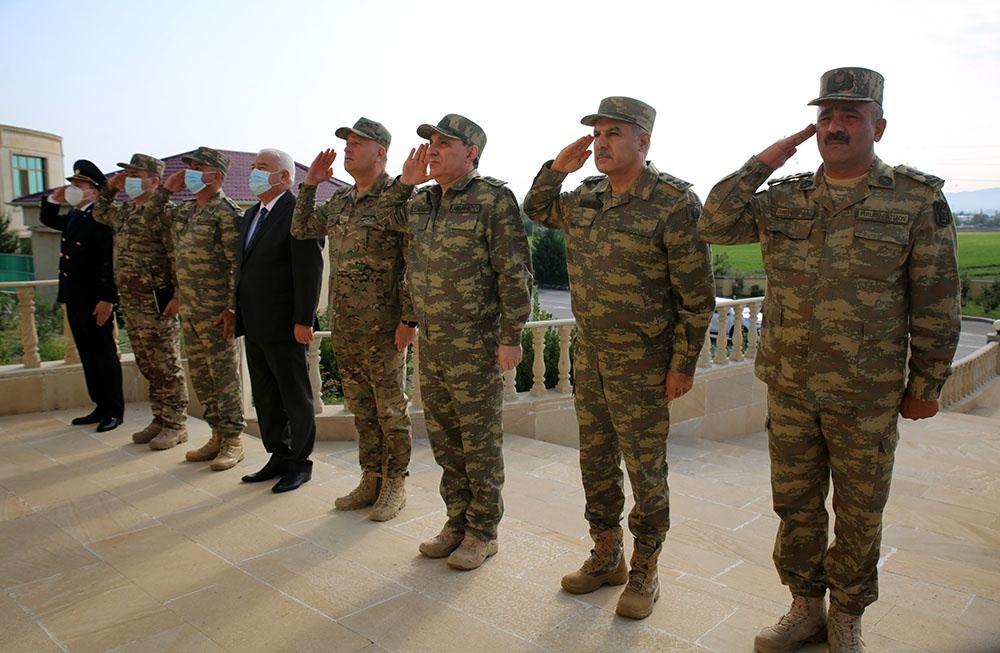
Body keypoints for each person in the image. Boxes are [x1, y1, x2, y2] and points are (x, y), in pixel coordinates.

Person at [697, 67, 961, 653]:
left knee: (860, 511)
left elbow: (938, 297)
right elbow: (713, 222)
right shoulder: (784, 197)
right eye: (825, 116)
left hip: (866, 392)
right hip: (791, 384)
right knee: (795, 505)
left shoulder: (915, 200)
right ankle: (804, 606)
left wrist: (927, 383)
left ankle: (847, 614)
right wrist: (766, 159)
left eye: (851, 115)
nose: (835, 126)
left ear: (878, 126)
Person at [522, 96, 715, 619]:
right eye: (597, 134)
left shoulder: (674, 202)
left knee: (646, 469)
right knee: (596, 462)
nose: (601, 143)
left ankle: (646, 567)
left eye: (613, 133)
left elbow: (696, 296)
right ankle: (607, 555)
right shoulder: (584, 197)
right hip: (591, 358)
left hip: (645, 365)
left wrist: (682, 364)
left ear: (643, 140)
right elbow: (536, 209)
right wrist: (556, 170)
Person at [378, 114, 532, 570]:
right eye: (431, 142)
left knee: (479, 444)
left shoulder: (492, 198)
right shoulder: (421, 201)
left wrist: (511, 336)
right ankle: (456, 522)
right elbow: (384, 221)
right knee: (445, 440)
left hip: (476, 343)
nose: (433, 149)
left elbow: (514, 272)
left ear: (472, 153)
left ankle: (483, 532)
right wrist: (403, 184)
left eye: (444, 143)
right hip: (433, 341)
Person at [292, 118, 415, 519]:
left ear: (381, 152)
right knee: (361, 407)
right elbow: (301, 228)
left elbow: (413, 262)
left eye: (357, 143)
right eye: (347, 142)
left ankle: (395, 482)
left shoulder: (398, 197)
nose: (347, 148)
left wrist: (409, 320)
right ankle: (371, 477)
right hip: (346, 325)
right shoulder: (341, 200)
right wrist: (310, 185)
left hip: (385, 327)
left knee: (390, 409)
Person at [225, 148, 324, 493]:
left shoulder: (298, 212)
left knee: (294, 396)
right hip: (255, 323)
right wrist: (235, 310)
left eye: (262, 167)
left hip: (286, 325)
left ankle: (300, 463)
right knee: (266, 396)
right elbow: (244, 269)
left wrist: (303, 319)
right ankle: (278, 455)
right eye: (253, 167)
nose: (254, 172)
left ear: (284, 176)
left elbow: (309, 269)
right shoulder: (252, 213)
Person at [156, 147, 247, 471]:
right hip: (191, 309)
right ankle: (216, 435)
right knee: (201, 377)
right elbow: (154, 221)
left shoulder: (227, 212)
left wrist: (232, 309)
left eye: (197, 168)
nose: (190, 173)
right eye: (190, 167)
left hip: (216, 312)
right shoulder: (185, 211)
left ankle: (233, 440)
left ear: (216, 176)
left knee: (224, 378)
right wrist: (166, 191)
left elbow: (237, 266)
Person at [93, 154, 189, 448]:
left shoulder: (165, 212)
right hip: (131, 302)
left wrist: (178, 295)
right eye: (128, 174)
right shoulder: (125, 210)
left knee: (166, 364)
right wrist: (110, 187)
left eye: (136, 174)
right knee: (147, 364)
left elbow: (176, 254)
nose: (129, 179)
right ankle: (160, 418)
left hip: (156, 301)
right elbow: (99, 211)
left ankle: (176, 424)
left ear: (155, 181)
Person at [40, 160, 124, 432]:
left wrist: (107, 299)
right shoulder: (76, 215)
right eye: (72, 184)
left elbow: (109, 262)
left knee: (104, 353)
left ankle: (114, 410)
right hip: (75, 296)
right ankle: (100, 405)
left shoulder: (100, 218)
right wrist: (53, 199)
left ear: (95, 191)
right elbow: (48, 219)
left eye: (79, 185)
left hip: (95, 299)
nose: (73, 189)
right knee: (87, 353)